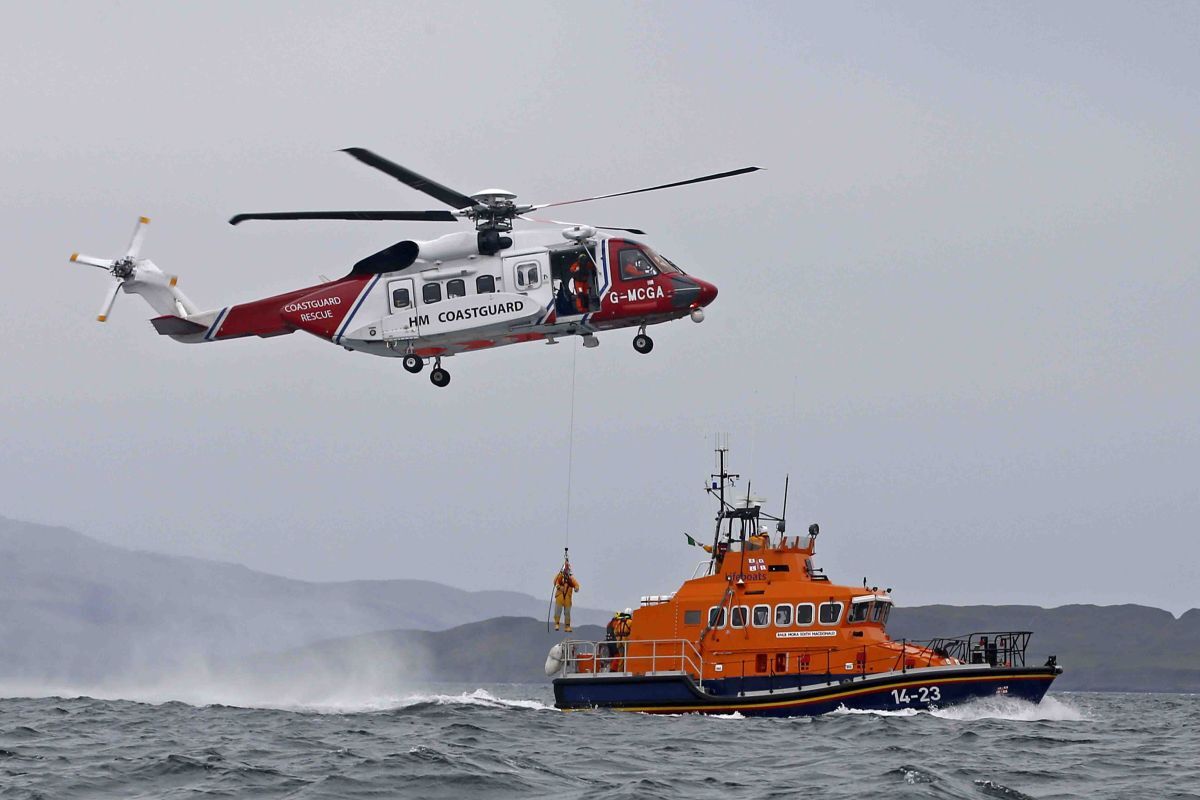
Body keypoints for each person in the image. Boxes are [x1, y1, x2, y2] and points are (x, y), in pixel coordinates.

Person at [552, 565, 580, 632]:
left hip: (568, 597)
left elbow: (576, 585)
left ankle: (567, 626)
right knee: (558, 610)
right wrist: (558, 586)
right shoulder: (559, 577)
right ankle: (557, 624)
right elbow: (555, 582)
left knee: (567, 612)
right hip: (560, 596)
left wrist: (576, 588)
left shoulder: (571, 579)